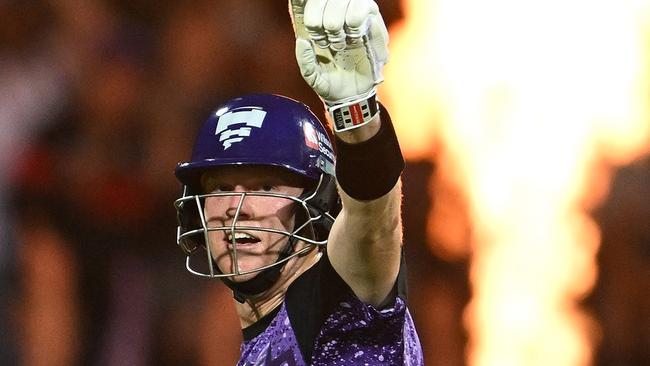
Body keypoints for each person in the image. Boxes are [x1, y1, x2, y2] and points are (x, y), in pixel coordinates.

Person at [174, 0, 424, 364]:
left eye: (264, 187)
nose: (235, 206)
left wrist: (355, 115)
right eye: (221, 188)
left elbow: (373, 223)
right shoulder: (259, 337)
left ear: (319, 203)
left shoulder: (338, 302)